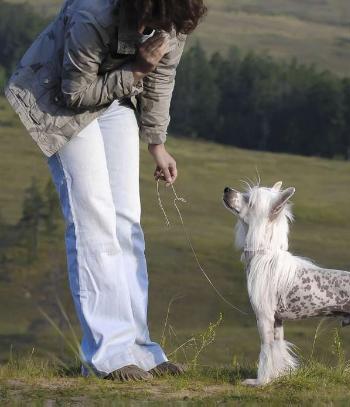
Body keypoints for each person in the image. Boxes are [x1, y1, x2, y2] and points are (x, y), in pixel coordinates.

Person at [4, 0, 206, 381]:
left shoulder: (172, 17)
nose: (155, 30)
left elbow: (161, 77)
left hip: (115, 94)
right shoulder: (92, 13)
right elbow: (75, 94)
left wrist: (156, 143)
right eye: (150, 21)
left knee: (127, 221)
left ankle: (139, 349)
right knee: (92, 218)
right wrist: (137, 69)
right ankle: (107, 354)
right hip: (57, 96)